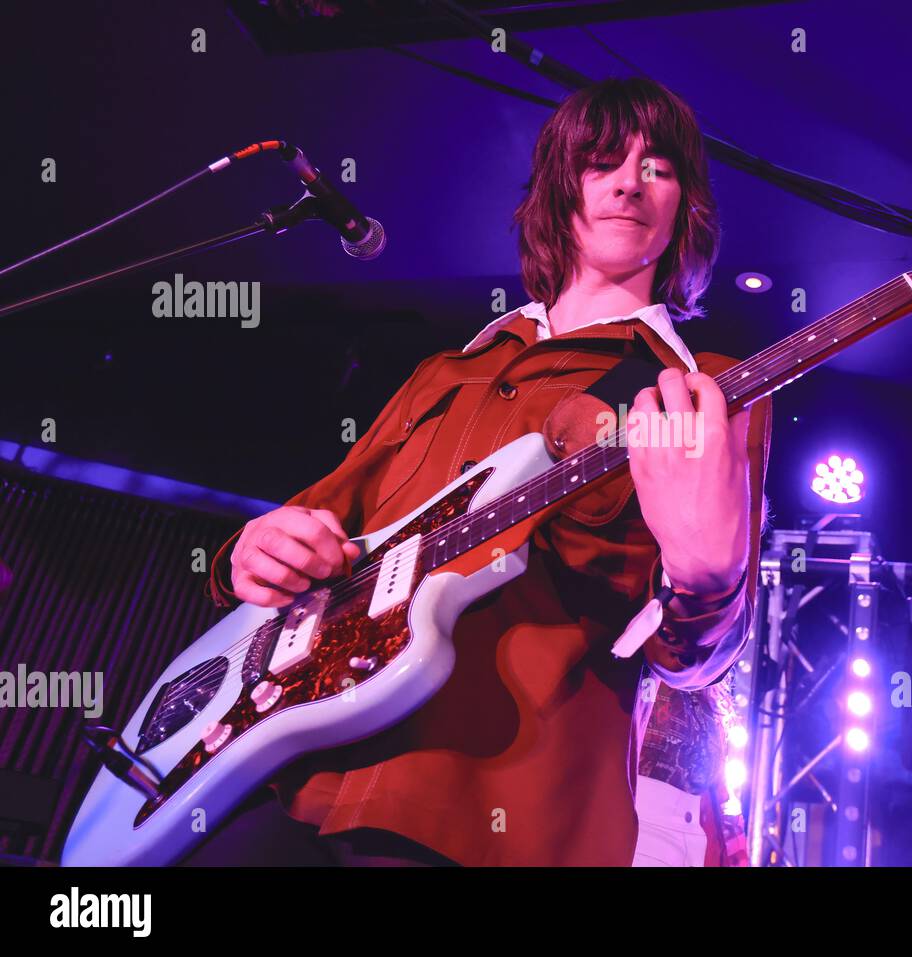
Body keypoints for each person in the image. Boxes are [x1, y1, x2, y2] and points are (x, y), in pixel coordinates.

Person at [186, 76, 772, 866]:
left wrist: (712, 579)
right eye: (603, 161)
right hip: (294, 773)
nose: (631, 180)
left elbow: (693, 658)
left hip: (483, 808)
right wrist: (257, 547)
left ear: (683, 210)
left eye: (659, 167)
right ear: (561, 190)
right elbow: (316, 518)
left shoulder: (702, 390)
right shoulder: (443, 374)